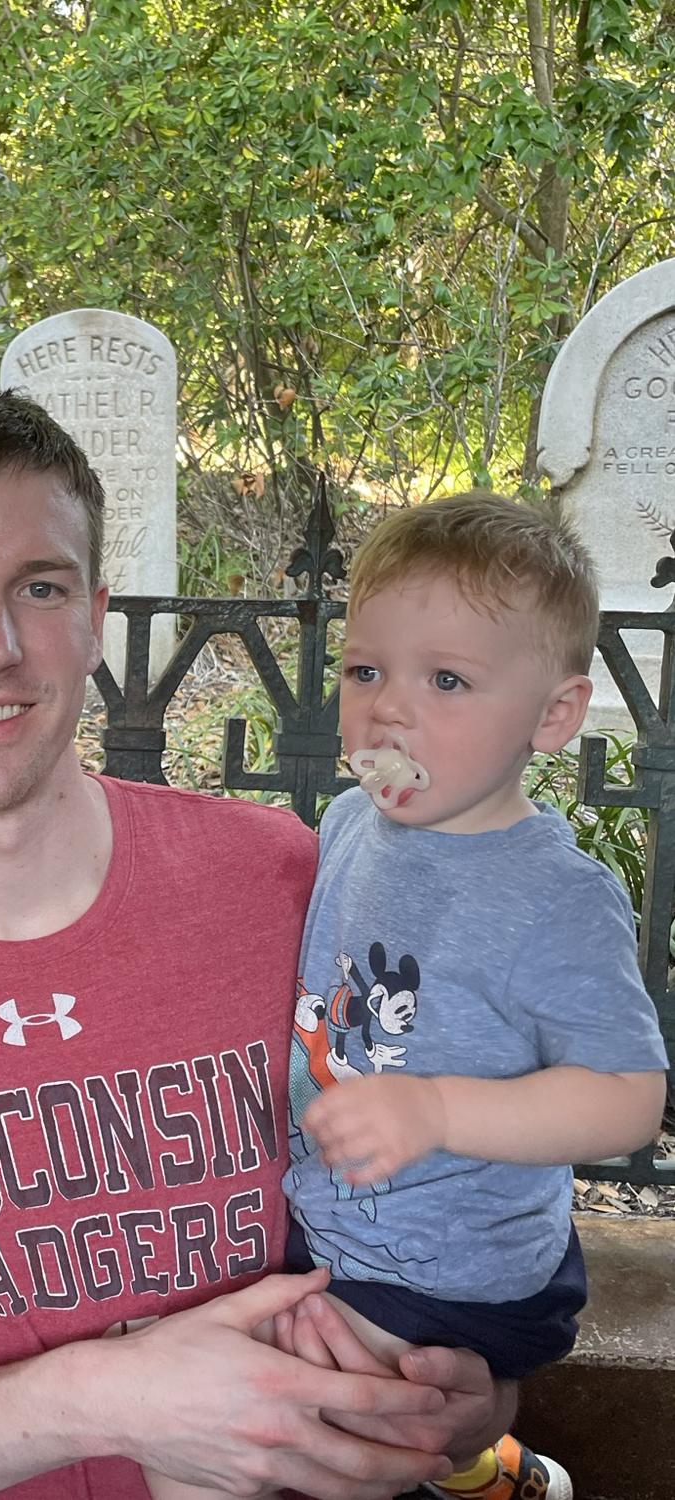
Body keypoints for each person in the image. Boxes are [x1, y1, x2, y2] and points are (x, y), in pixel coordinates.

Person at [0, 389, 514, 1500]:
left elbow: (469, 1288)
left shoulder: (290, 886)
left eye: (40, 587)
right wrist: (106, 1398)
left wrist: (457, 1390)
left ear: (96, 617)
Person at [231, 493, 663, 1500]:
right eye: (366, 670)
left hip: (451, 1266)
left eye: (449, 680)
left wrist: (436, 1110)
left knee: (312, 1423)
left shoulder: (551, 897)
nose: (389, 708)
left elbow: (628, 1095)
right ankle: (493, 1474)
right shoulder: (349, 827)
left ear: (553, 716)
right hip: (333, 1218)